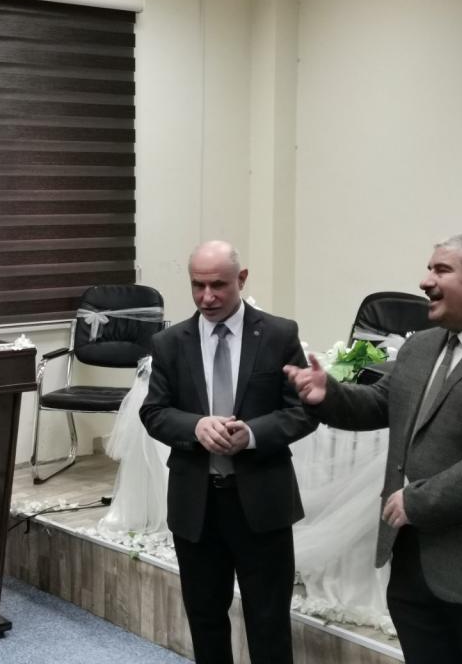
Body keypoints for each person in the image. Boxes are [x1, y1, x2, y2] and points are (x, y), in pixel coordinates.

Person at [284, 233, 462, 664]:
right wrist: (328, 395)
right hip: (416, 573)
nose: (424, 281)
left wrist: (416, 501)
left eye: (441, 270)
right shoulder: (421, 346)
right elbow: (381, 404)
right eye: (428, 269)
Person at [140, 240, 318, 664]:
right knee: (205, 620)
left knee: (269, 622)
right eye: (197, 285)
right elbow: (154, 412)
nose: (207, 297)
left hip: (262, 502)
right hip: (196, 505)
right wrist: (196, 426)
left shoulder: (278, 334)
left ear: (242, 279)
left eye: (218, 285)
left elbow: (303, 412)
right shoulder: (170, 342)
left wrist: (252, 434)